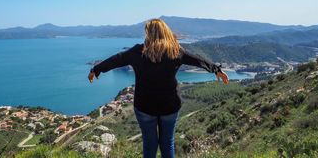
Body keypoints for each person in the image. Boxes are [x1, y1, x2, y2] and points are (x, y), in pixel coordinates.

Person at [88, 18, 229, 158]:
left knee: (150, 145)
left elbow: (117, 59)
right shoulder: (176, 51)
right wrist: (216, 70)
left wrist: (97, 69)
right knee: (167, 143)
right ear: (166, 32)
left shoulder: (138, 52)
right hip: (170, 106)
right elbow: (198, 59)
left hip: (145, 106)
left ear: (148, 34)